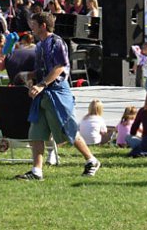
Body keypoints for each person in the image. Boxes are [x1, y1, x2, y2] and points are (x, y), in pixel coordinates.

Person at [16, 12, 101, 180]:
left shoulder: (56, 42)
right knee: (36, 133)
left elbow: (59, 67)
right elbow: (43, 70)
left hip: (57, 93)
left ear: (43, 26)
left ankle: (91, 160)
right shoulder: (40, 45)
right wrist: (30, 76)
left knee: (67, 130)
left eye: (33, 24)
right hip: (43, 94)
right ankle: (36, 171)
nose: (31, 28)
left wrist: (41, 84)